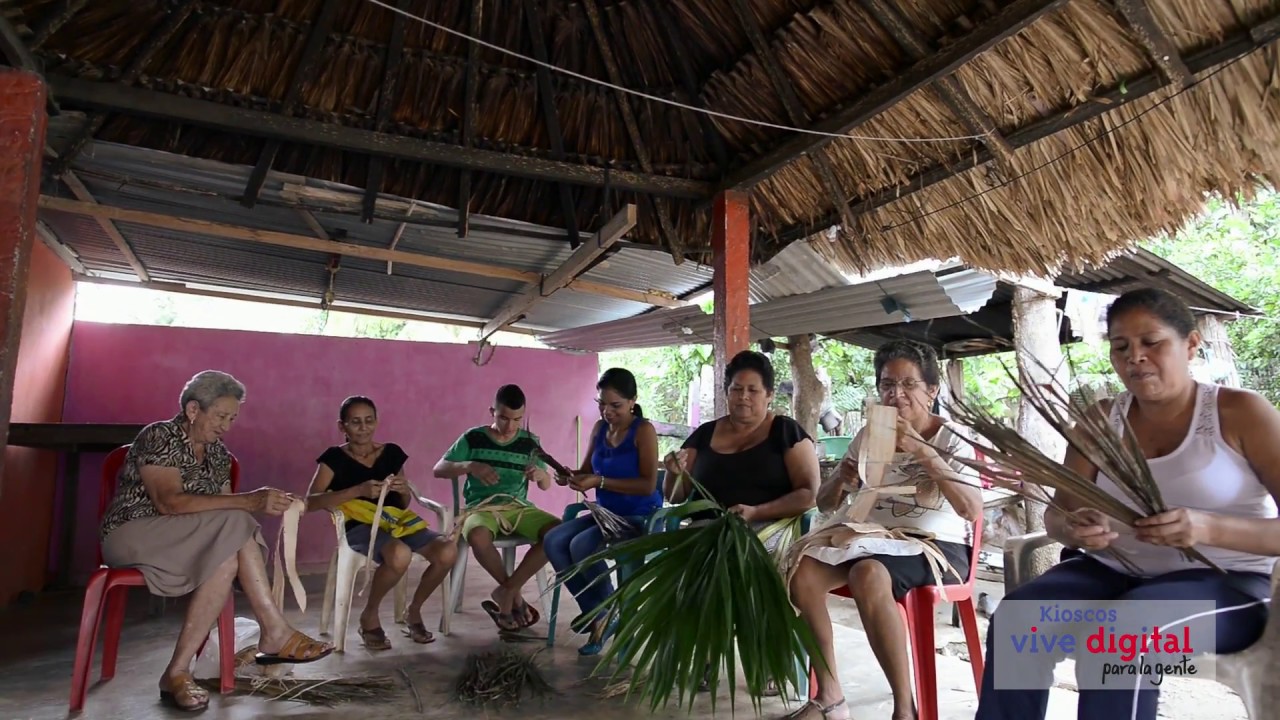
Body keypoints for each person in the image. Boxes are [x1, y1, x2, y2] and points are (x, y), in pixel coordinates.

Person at [975, 287, 1279, 720]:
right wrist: (1075, 528)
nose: (1135, 357)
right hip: (1113, 572)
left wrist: (1206, 529)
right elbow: (1058, 517)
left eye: (1151, 342)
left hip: (1227, 582)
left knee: (1120, 634)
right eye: (1121, 347)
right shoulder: (1100, 421)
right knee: (1018, 620)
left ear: (1191, 344)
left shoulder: (1240, 413)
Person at [99, 370, 333, 712]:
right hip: (132, 533)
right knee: (236, 522)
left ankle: (177, 672)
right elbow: (170, 503)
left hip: (183, 542)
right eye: (221, 416)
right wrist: (251, 501)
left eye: (233, 418)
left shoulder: (218, 455)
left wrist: (268, 503)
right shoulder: (160, 435)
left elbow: (224, 516)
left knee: (226, 555)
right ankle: (275, 630)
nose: (226, 425)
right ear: (193, 410)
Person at [782, 340, 984, 720]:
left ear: (932, 391)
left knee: (868, 573)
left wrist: (922, 449)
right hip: (870, 539)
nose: (897, 395)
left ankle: (905, 709)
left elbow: (970, 510)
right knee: (802, 572)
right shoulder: (869, 435)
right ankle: (830, 696)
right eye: (888, 385)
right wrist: (840, 480)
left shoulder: (953, 438)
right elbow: (825, 503)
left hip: (936, 546)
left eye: (909, 385)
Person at [664, 349, 821, 692]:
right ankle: (704, 655)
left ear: (768, 394)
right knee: (696, 569)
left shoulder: (785, 432)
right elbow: (676, 496)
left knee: (744, 565)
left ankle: (767, 659)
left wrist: (756, 512)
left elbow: (809, 494)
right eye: (737, 389)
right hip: (708, 532)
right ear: (726, 393)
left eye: (753, 390)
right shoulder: (704, 435)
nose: (744, 397)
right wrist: (673, 473)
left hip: (770, 529)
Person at [304, 396, 457, 650]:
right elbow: (310, 502)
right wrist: (357, 490)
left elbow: (404, 503)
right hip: (358, 527)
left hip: (397, 522)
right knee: (399, 554)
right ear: (342, 427)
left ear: (376, 422)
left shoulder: (391, 454)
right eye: (355, 422)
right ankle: (370, 615)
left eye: (369, 421)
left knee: (447, 549)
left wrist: (402, 489)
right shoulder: (333, 458)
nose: (363, 428)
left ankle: (414, 610)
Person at [544, 368, 662, 656]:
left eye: (615, 405)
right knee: (553, 541)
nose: (607, 411)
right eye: (601, 404)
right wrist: (569, 476)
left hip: (638, 517)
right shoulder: (599, 429)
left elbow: (648, 485)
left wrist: (600, 481)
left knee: (581, 545)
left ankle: (605, 615)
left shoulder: (643, 431)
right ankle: (601, 611)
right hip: (605, 515)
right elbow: (587, 470)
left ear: (633, 401)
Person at [432, 384, 561, 632]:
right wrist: (470, 465)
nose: (510, 426)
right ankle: (515, 597)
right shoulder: (473, 437)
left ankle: (508, 591)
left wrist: (540, 475)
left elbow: (546, 485)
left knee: (557, 532)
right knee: (478, 536)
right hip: (480, 508)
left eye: (517, 420)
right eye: (503, 418)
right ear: (492, 411)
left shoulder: (529, 442)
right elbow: (439, 469)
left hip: (518, 507)